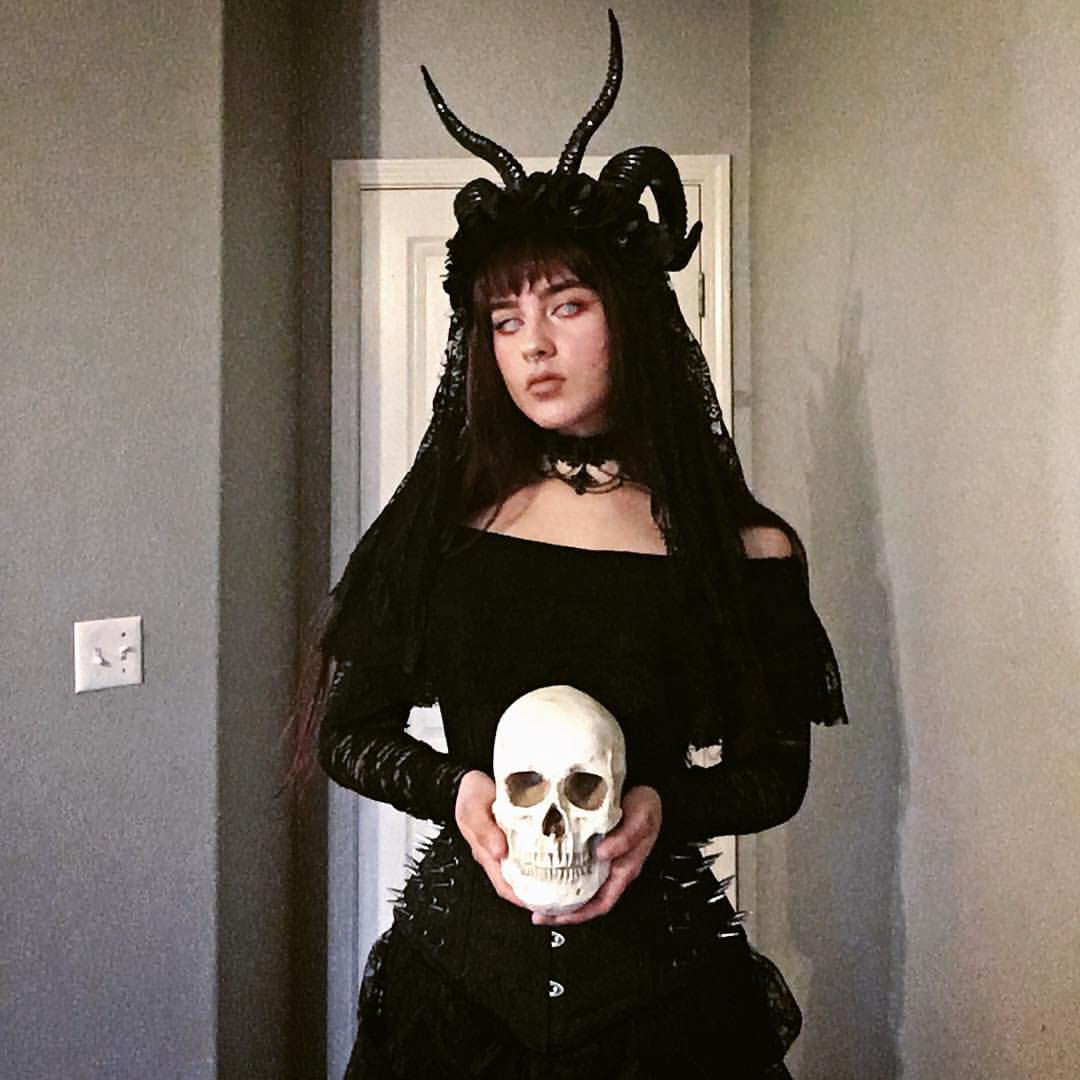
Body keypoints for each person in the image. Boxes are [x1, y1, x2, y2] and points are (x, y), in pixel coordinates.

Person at [288, 13, 845, 1078]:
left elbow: (776, 773)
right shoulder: (447, 533)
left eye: (567, 305)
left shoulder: (744, 550)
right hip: (453, 995)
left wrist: (661, 807)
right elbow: (349, 733)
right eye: (504, 320)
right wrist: (457, 790)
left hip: (668, 1008)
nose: (533, 344)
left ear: (630, 318)